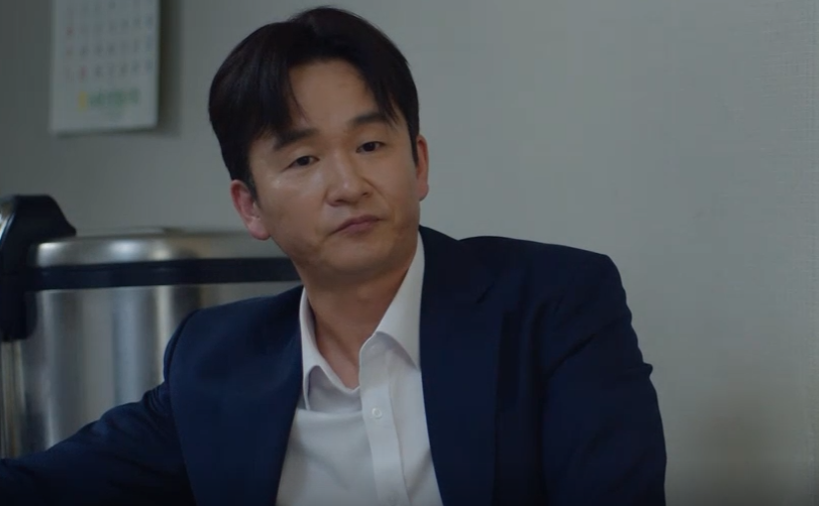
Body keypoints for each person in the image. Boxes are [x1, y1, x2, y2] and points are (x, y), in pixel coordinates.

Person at [0, 6, 665, 506]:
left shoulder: (554, 304)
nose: (348, 185)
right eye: (303, 159)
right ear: (250, 207)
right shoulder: (216, 362)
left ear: (418, 163)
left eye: (370, 146)